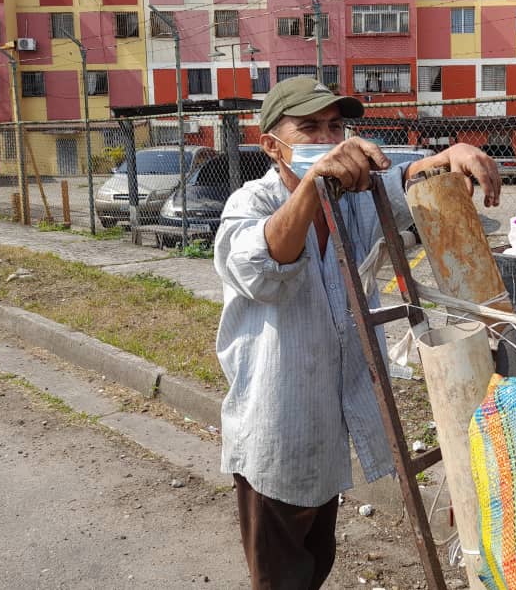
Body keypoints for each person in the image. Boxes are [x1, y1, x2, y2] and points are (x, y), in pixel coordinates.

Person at [213, 76, 500, 589]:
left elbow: (404, 174)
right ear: (271, 145)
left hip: (330, 413)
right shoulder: (249, 204)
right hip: (276, 417)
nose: (329, 140)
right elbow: (262, 266)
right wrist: (309, 185)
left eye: (335, 126)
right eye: (310, 129)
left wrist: (448, 153)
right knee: (279, 575)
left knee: (317, 559)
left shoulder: (351, 197)